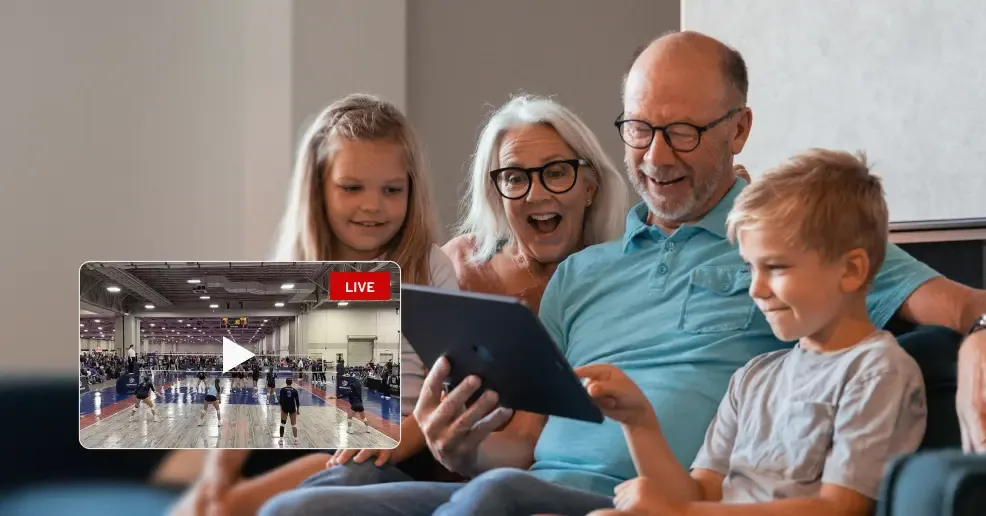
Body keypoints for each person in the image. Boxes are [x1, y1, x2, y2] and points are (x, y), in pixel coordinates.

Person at [258, 31, 985, 516]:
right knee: (304, 507)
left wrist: (980, 335)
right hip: (530, 483)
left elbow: (962, 305)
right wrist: (460, 445)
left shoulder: (793, 247)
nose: (657, 156)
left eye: (684, 131)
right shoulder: (582, 273)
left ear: (739, 129)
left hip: (644, 496)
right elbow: (527, 439)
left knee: (496, 498)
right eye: (639, 129)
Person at [157, 92, 461, 516]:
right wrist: (218, 473)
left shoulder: (430, 268)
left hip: (382, 453)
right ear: (319, 188)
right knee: (209, 498)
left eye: (392, 190)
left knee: (284, 485)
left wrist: (395, 441)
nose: (373, 205)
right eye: (351, 188)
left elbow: (448, 390)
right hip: (299, 432)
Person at [578, 148, 927, 516]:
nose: (756, 289)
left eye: (775, 267)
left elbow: (840, 507)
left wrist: (680, 514)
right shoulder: (754, 377)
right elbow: (702, 493)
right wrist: (639, 422)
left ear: (851, 270)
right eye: (750, 268)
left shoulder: (877, 371)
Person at [278, 378, 301, 445]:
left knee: (282, 424)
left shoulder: (282, 390)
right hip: (292, 409)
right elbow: (297, 402)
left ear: (286, 382)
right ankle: (296, 440)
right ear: (291, 383)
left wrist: (281, 408)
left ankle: (281, 440)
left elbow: (281, 400)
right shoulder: (294, 391)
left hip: (284, 408)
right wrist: (298, 411)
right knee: (294, 425)